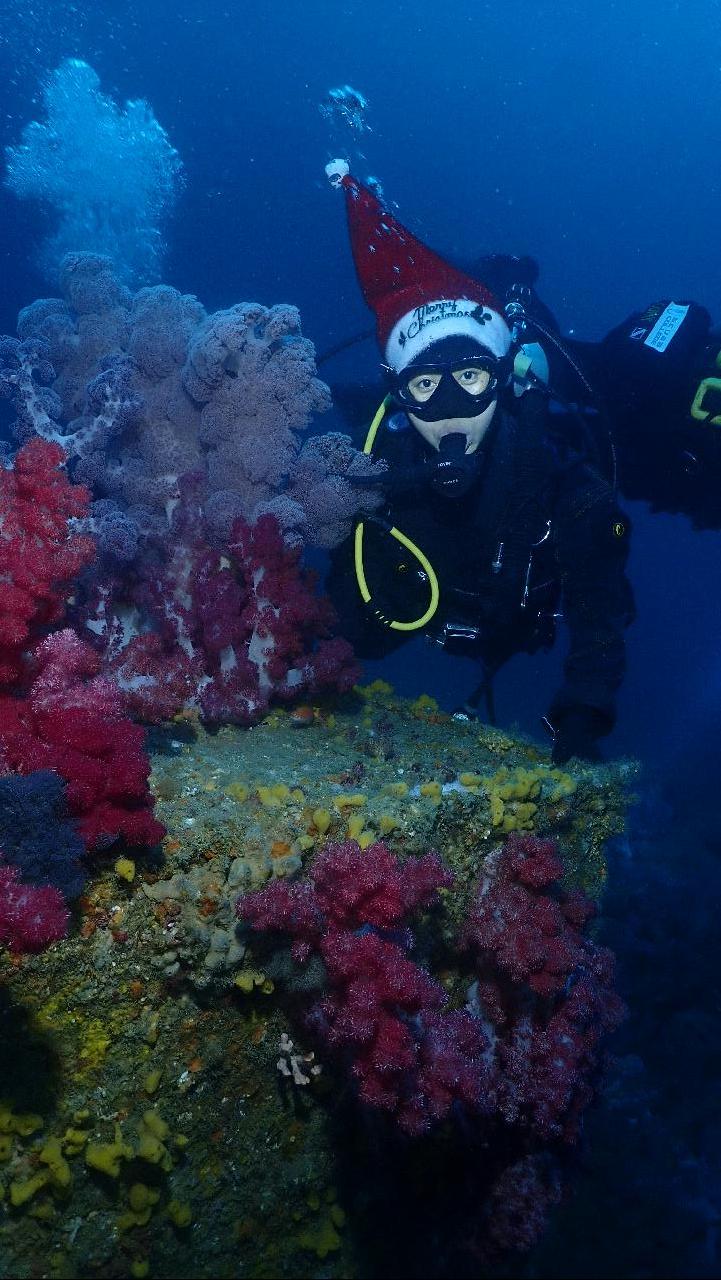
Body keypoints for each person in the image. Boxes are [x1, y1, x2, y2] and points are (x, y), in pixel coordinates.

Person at [322, 161, 635, 765]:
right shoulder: (373, 469)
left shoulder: (568, 490)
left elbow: (600, 619)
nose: (448, 411)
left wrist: (583, 714)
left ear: (501, 380)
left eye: (470, 378)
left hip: (510, 625)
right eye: (424, 387)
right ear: (396, 392)